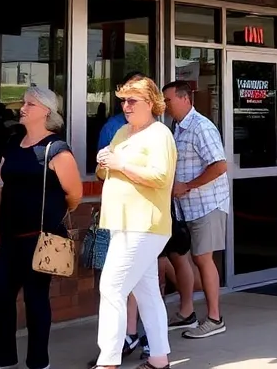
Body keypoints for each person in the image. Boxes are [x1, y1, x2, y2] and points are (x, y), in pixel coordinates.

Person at [0, 85, 82, 369]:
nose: (23, 108)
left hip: (39, 239)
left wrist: (53, 215)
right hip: (7, 237)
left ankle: (39, 362)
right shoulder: (14, 144)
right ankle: (4, 360)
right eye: (24, 103)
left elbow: (74, 195)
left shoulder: (57, 150)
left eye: (30, 104)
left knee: (36, 300)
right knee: (0, 296)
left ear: (46, 111)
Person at [93, 77, 177, 369]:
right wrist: (104, 163)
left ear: (150, 103)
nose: (125, 106)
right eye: (123, 101)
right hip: (122, 222)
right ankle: (159, 359)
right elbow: (105, 173)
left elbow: (161, 177)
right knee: (147, 292)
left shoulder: (160, 134)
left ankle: (108, 362)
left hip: (144, 223)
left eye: (132, 101)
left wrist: (121, 164)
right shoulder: (122, 132)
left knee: (112, 288)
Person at [162, 80, 229, 339]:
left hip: (206, 204)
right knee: (181, 257)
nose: (165, 106)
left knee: (202, 258)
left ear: (185, 98)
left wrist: (187, 186)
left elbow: (219, 165)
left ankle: (214, 318)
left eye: (168, 100)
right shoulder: (176, 128)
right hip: (184, 208)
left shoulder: (202, 127)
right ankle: (187, 312)